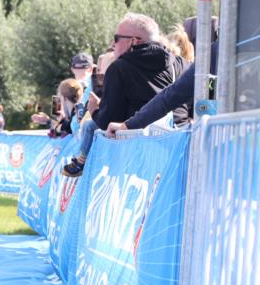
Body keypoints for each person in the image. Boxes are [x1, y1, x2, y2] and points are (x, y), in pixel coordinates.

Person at [63, 13, 187, 176]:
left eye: (116, 38)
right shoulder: (179, 63)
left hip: (139, 159)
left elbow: (109, 121)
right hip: (180, 147)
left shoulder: (119, 68)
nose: (113, 44)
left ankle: (80, 163)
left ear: (134, 41)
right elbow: (205, 91)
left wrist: (94, 110)